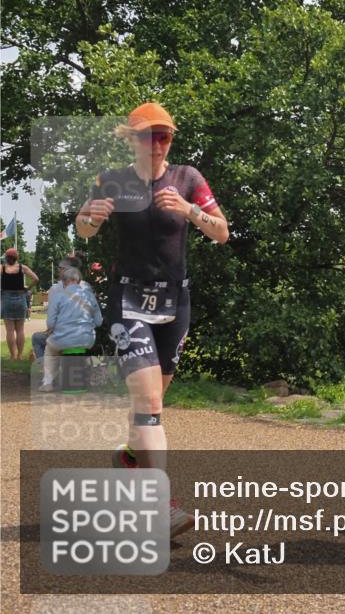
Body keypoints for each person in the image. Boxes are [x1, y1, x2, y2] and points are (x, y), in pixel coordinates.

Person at [75, 102, 230, 538]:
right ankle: (159, 507)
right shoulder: (113, 179)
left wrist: (188, 210)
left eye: (164, 136)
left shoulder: (188, 179)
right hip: (128, 299)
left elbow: (221, 231)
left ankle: (128, 457)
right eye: (147, 135)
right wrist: (90, 220)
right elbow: (83, 226)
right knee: (149, 407)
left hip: (174, 303)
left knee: (152, 404)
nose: (157, 144)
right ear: (131, 139)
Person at [39, 266, 102, 392]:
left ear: (63, 281)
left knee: (50, 349)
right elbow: (99, 322)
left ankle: (48, 382)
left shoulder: (57, 296)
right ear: (79, 280)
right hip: (86, 339)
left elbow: (50, 323)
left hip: (63, 339)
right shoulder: (90, 295)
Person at [30, 255, 87, 364]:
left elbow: (52, 321)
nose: (58, 271)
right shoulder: (86, 287)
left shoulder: (55, 289)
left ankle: (45, 368)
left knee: (37, 338)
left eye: (60, 268)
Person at [2, 248, 39, 360]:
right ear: (16, 257)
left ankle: (12, 356)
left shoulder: (2, 268)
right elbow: (36, 279)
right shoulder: (22, 268)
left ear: (7, 258)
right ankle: (20, 355)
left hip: (7, 298)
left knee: (9, 330)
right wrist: (28, 288)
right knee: (20, 330)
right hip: (20, 298)